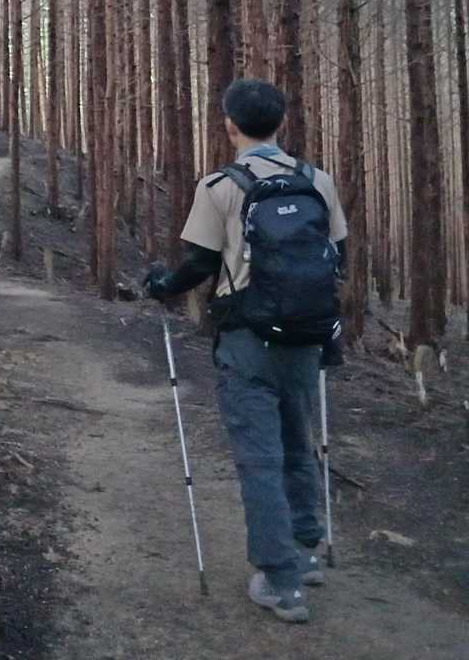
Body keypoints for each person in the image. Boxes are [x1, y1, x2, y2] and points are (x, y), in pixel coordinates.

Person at [144, 78, 346, 625]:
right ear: (282, 123)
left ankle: (280, 580)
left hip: (246, 339)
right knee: (298, 442)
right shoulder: (317, 180)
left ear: (229, 125)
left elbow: (200, 264)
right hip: (305, 337)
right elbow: (338, 255)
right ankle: (305, 550)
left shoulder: (219, 186)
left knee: (260, 457)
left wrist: (161, 285)